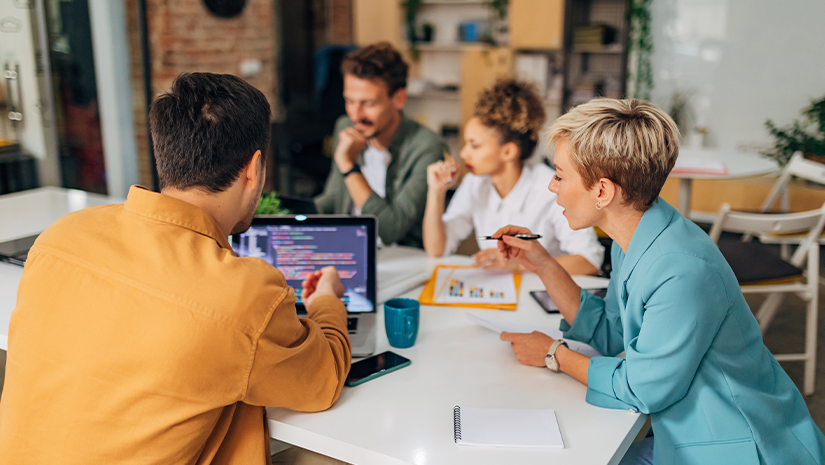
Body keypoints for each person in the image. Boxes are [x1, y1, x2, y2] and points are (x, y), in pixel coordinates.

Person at [0, 73, 351, 465]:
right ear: (254, 169)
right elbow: (323, 380)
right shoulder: (243, 293)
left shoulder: (60, 236)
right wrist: (326, 300)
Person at [494, 99, 825, 464]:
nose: (552, 187)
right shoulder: (635, 234)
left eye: (559, 175)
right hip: (687, 433)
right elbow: (611, 332)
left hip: (742, 447)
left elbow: (642, 388)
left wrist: (553, 354)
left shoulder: (681, 269)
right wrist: (542, 262)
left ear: (603, 191)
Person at [423, 78, 603, 275]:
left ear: (508, 152)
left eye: (475, 145)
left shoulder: (550, 188)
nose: (464, 153)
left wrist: (520, 265)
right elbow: (437, 249)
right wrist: (436, 191)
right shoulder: (474, 184)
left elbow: (589, 262)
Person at [314, 42, 447, 248]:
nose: (355, 115)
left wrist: (349, 167)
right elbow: (333, 200)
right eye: (349, 101)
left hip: (401, 258)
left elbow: (390, 229)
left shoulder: (427, 147)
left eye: (368, 103)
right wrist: (287, 215)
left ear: (399, 99)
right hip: (349, 249)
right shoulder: (346, 126)